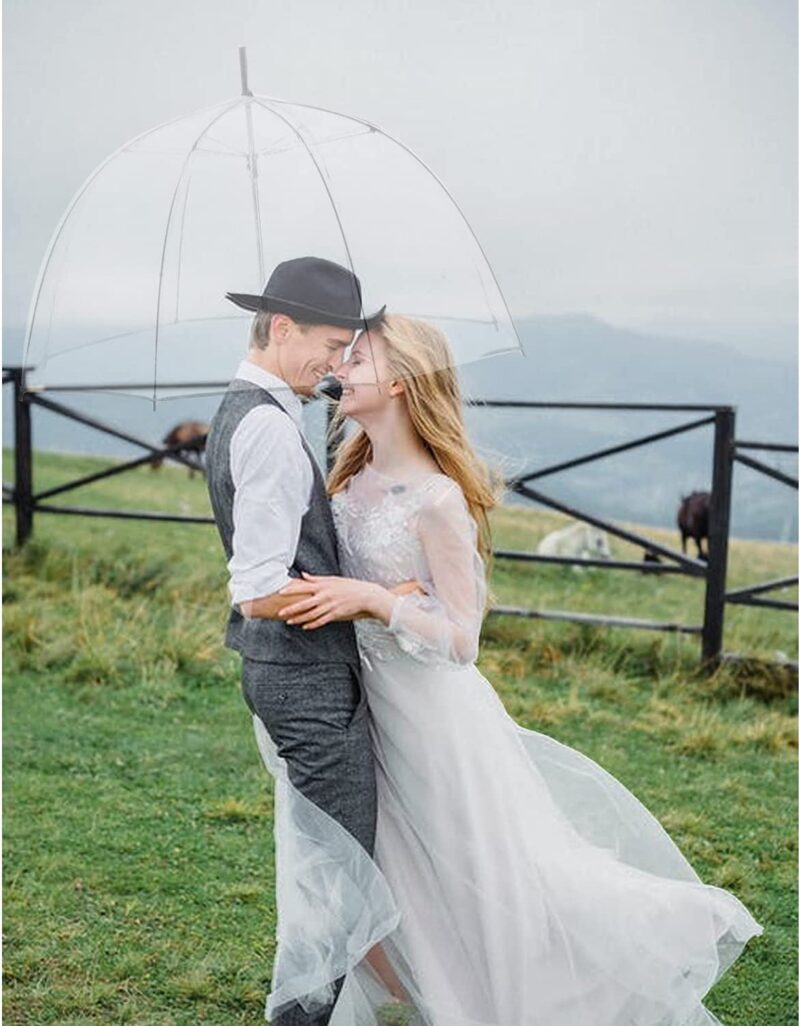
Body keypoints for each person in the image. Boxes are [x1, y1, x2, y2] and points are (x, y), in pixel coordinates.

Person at [269, 313, 764, 1025]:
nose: (338, 370)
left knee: (475, 873)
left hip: (431, 718)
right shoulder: (347, 477)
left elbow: (463, 639)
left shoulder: (438, 500)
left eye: (358, 359)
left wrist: (380, 600)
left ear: (403, 383)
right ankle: (424, 986)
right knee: (390, 864)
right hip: (360, 707)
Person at [205, 257, 422, 1026]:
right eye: (329, 346)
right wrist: (375, 599)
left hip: (293, 676)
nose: (335, 366)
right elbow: (257, 590)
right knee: (340, 876)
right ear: (282, 327)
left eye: (346, 352)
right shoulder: (265, 426)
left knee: (327, 867)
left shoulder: (255, 408)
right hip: (304, 683)